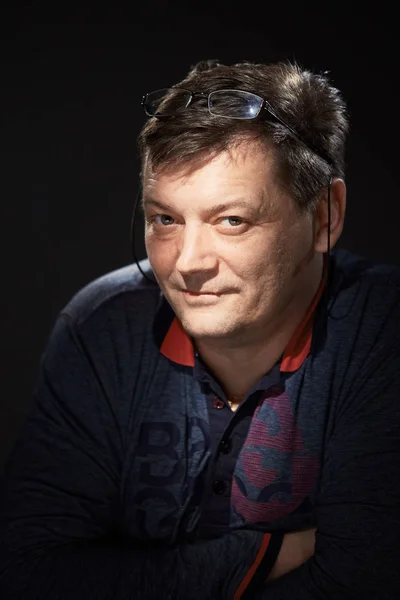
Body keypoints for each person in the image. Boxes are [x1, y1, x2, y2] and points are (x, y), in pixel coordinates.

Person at [0, 58, 399, 600]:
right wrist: (265, 556)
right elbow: (27, 573)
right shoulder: (102, 326)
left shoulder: (383, 332)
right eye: (165, 219)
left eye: (231, 220)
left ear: (325, 216)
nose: (186, 262)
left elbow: (368, 582)